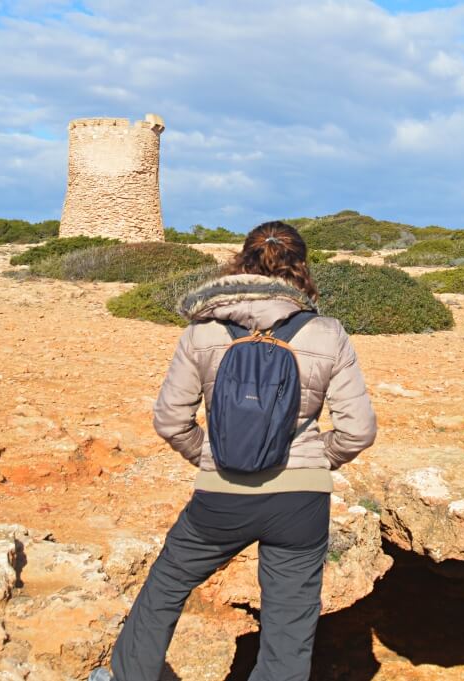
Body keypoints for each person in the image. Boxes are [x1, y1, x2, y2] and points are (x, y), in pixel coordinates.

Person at [94, 221, 377, 681]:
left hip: (221, 495)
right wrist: (315, 457)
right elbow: (357, 431)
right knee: (288, 628)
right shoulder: (327, 333)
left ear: (242, 261)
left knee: (167, 584)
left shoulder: (202, 332)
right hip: (300, 501)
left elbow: (170, 419)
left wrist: (209, 454)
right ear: (302, 266)